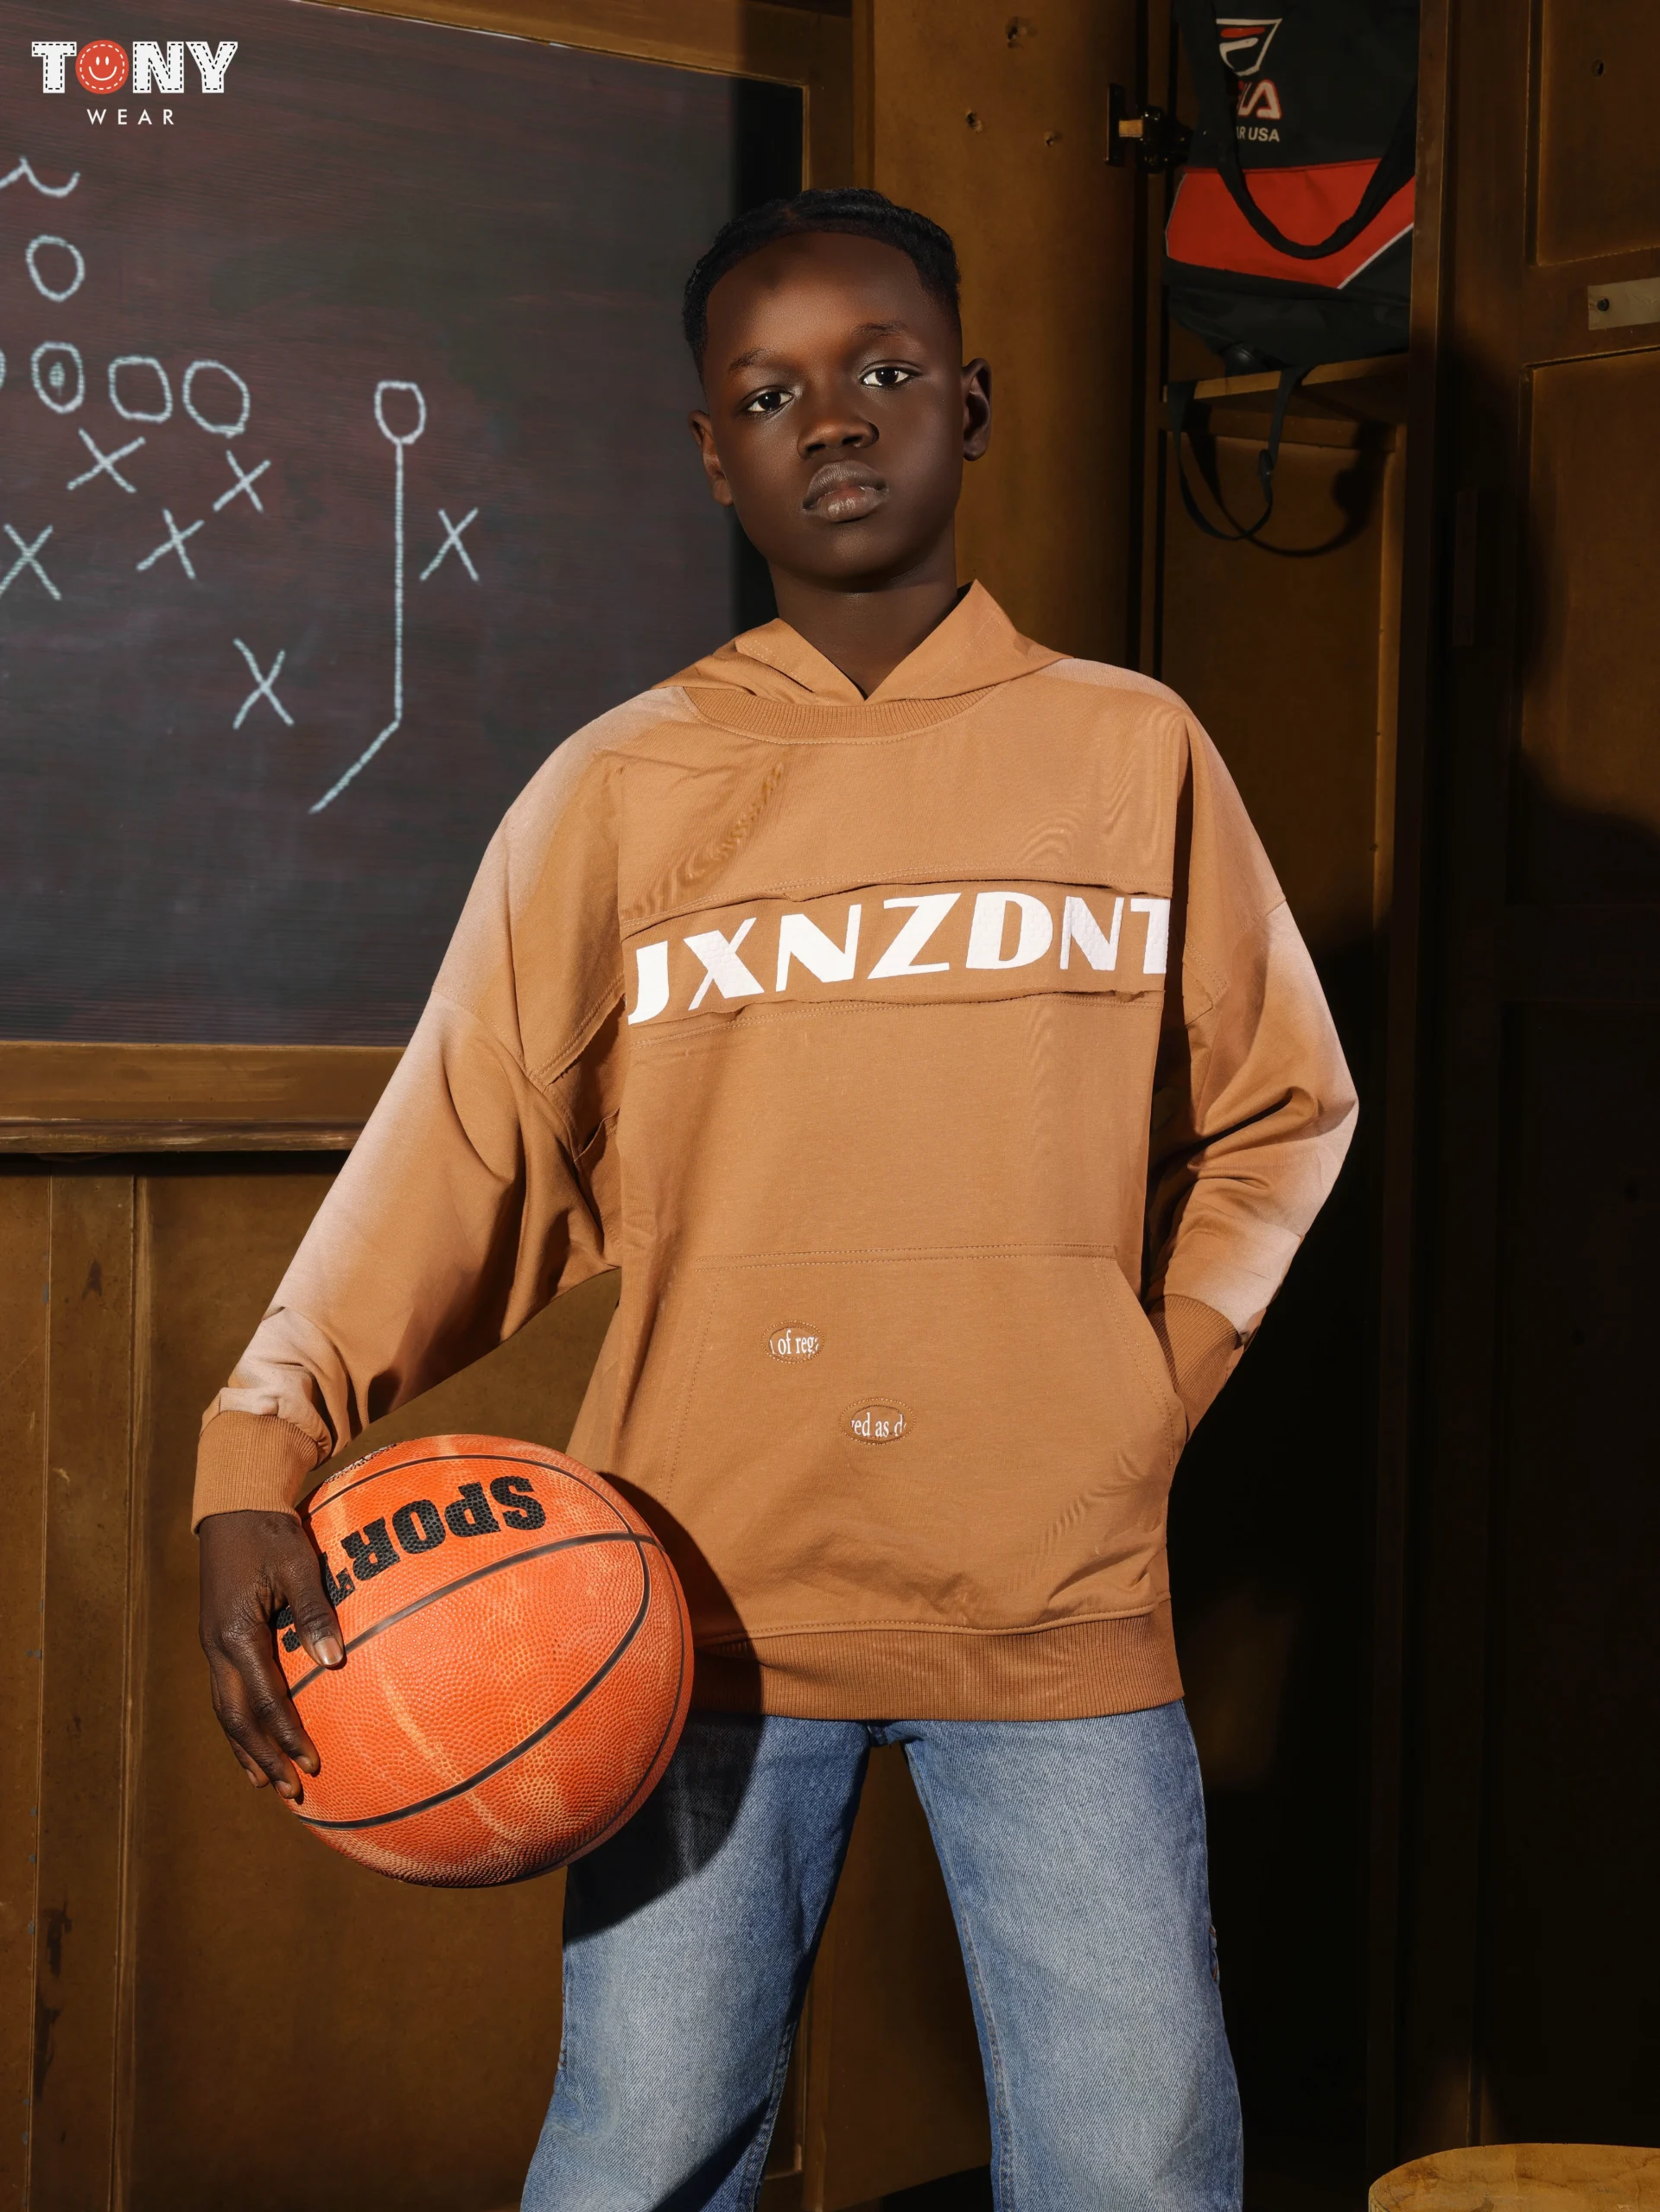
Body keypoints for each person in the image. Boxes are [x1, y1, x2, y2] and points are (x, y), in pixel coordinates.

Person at [195, 188, 1357, 2211]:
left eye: (883, 369)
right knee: (650, 2143)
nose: (832, 416)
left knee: (1140, 2157)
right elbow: (465, 1141)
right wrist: (257, 1446)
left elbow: (1284, 1107)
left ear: (967, 402)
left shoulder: (1131, 750)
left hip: (1054, 1594)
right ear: (710, 451)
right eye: (768, 390)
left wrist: (1129, 1394)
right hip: (689, 1603)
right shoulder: (623, 783)